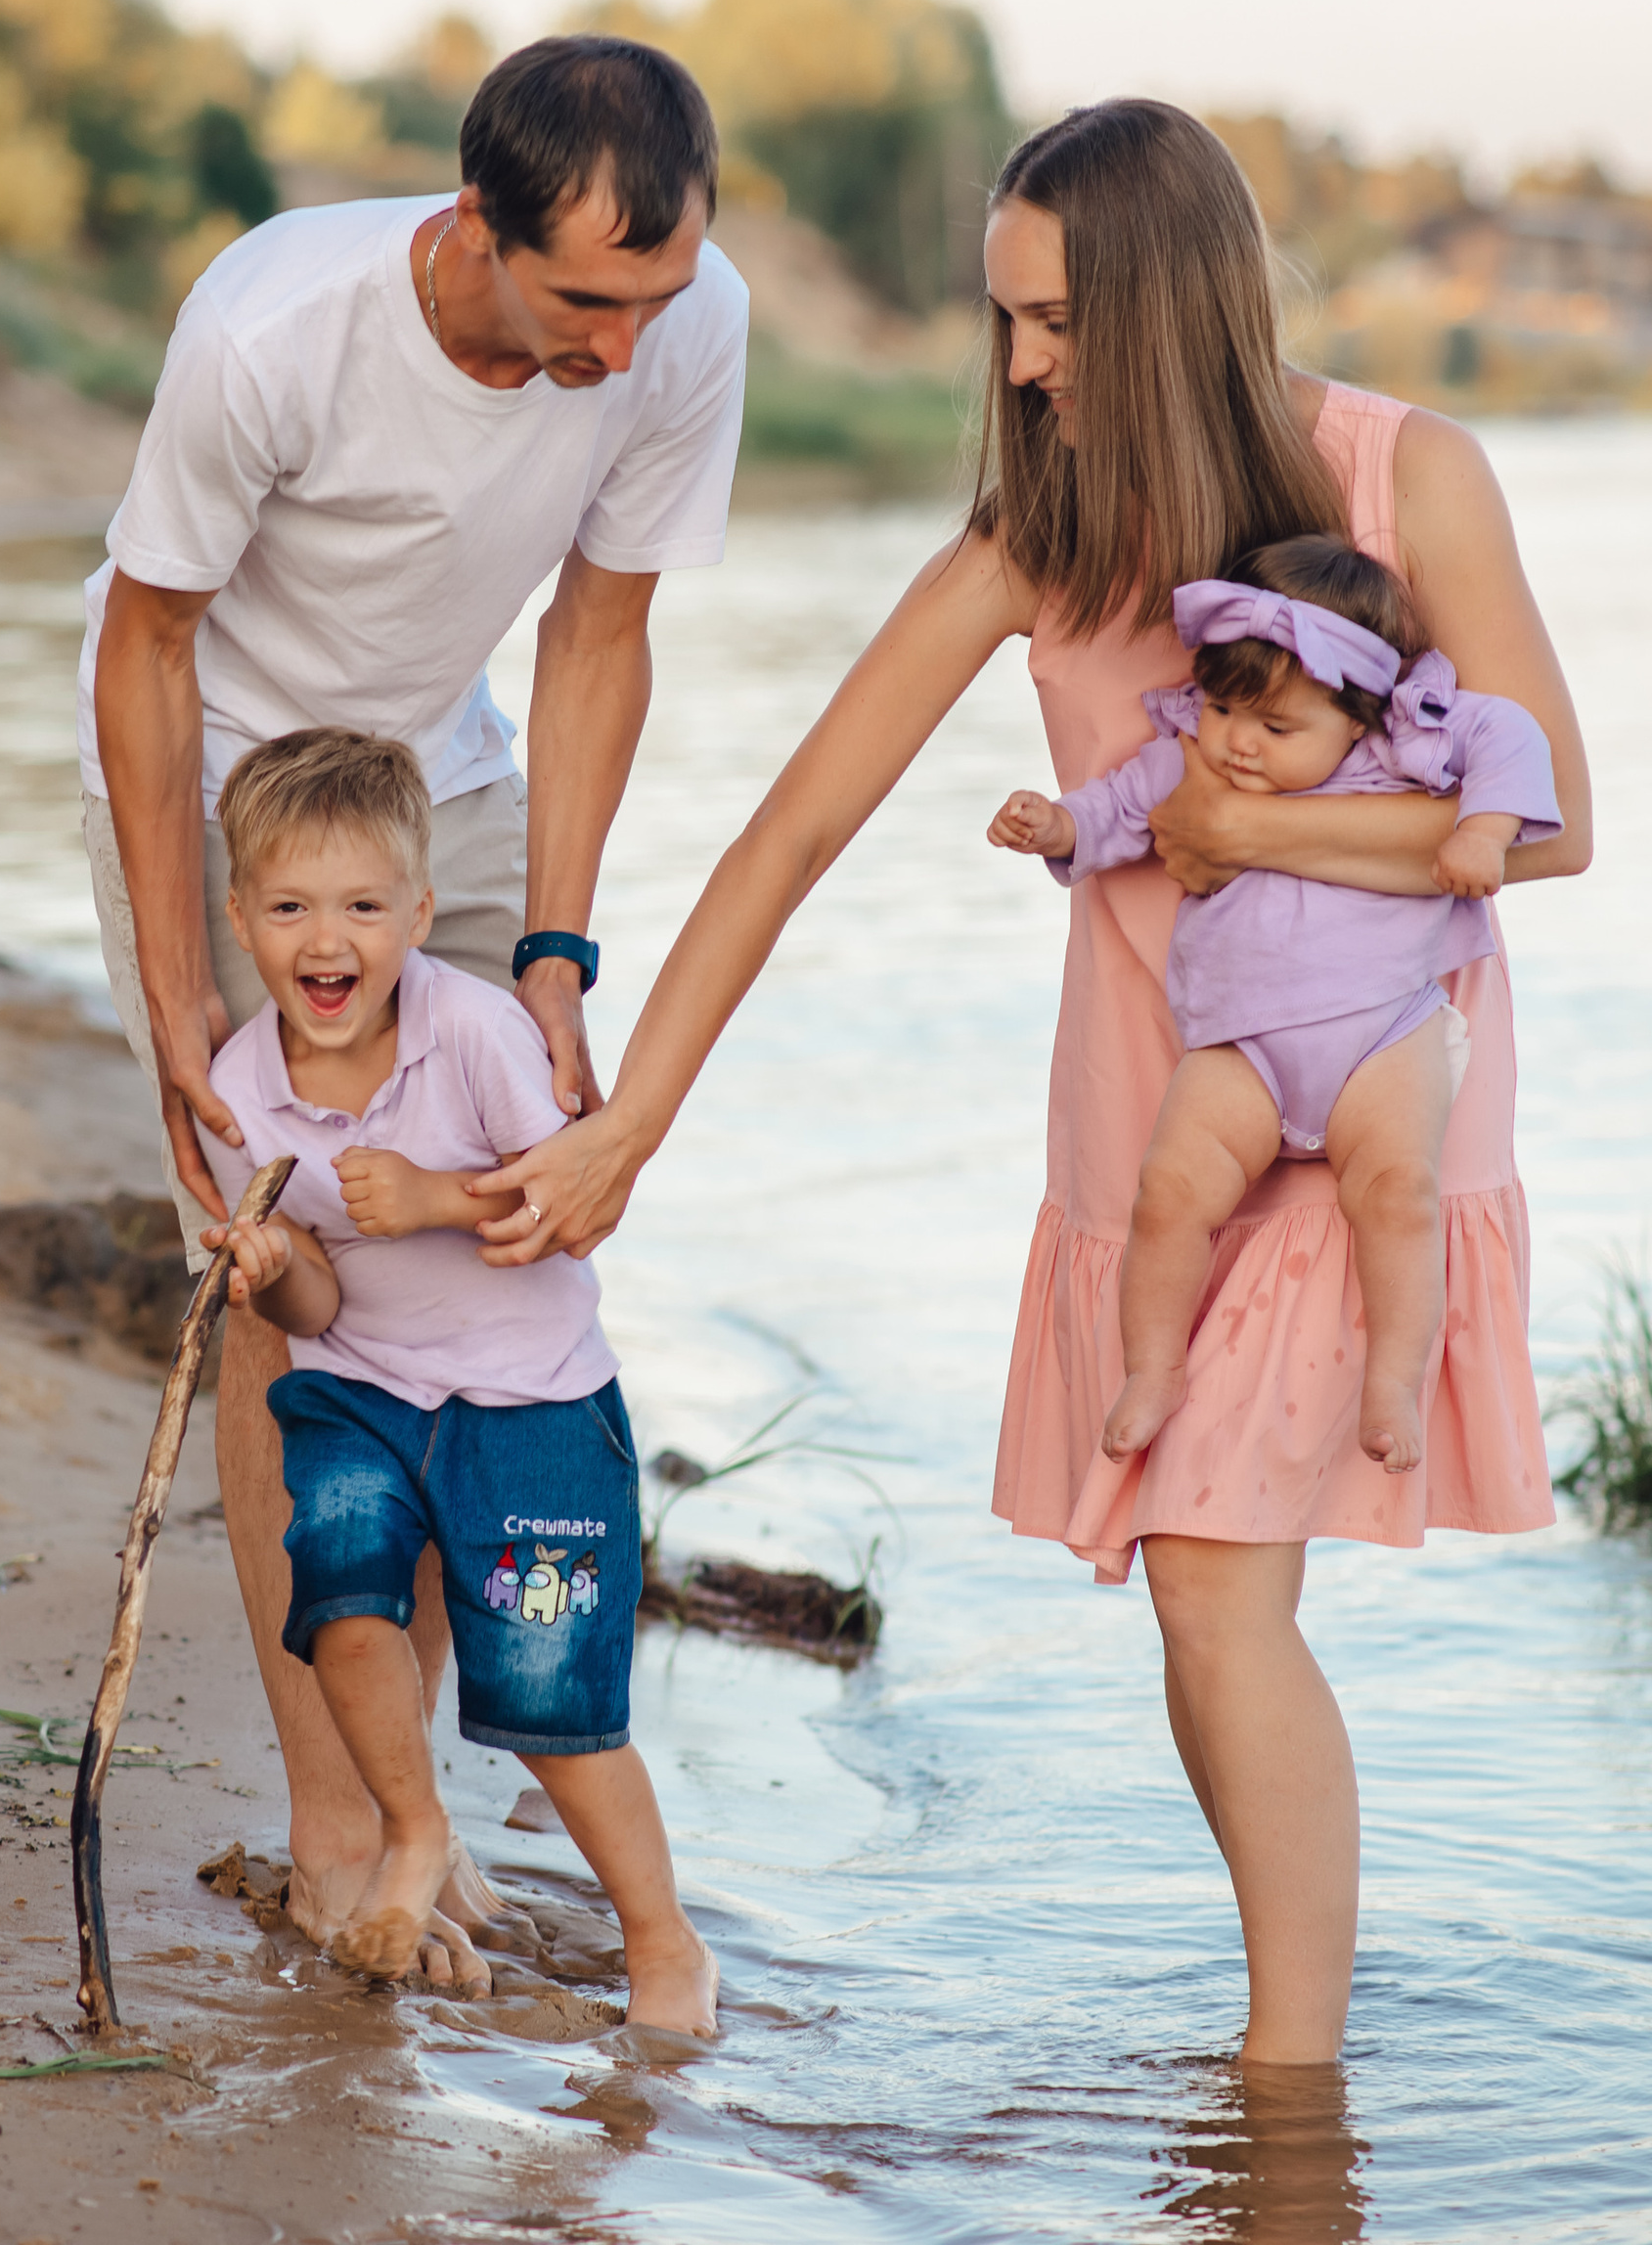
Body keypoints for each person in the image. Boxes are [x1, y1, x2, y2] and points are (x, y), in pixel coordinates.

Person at [474, 100, 1592, 2063]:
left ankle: (1288, 2091)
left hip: (1369, 1102)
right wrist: (632, 1114)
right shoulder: (1035, 540)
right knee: (1197, 1597)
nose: (1017, 365)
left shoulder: (1407, 472)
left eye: (1054, 319)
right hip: (1156, 1115)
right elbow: (792, 828)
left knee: (1213, 1592)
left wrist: (1250, 831)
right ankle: (1283, 2079)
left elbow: (1553, 816)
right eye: (1002, 318)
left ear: (1166, 304)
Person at [80, 35, 750, 1977]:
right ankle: (336, 1825)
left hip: (441, 786)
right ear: (475, 227)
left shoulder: (682, 322)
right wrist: (175, 972)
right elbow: (146, 639)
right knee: (284, 1285)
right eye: (587, 301)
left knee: (480, 1253)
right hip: (223, 779)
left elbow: (600, 631)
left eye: (655, 295)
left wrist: (556, 949)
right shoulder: (273, 329)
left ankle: (410, 1817)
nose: (627, 343)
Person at [189, 728, 718, 2035]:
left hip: (530, 1406)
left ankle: (665, 1946)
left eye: (363, 908)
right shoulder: (244, 1086)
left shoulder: (479, 1034)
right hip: (364, 1392)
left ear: (419, 914)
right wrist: (275, 1271)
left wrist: (431, 1199)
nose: (329, 940)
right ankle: (412, 1826)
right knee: (342, 1594)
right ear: (240, 919)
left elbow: (571, 1208)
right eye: (292, 908)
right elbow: (319, 1303)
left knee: (550, 1699)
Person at [988, 538, 1560, 1475]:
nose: (1238, 741)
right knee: (1169, 1193)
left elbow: (1517, 737)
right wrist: (1055, 824)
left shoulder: (1405, 747)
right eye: (1221, 709)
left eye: (1275, 726)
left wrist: (1485, 832)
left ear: (1357, 714)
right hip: (1240, 1046)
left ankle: (1393, 1383)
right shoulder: (1193, 762)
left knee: (1399, 1198)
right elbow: (1114, 810)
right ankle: (1154, 1368)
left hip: (1384, 1033)